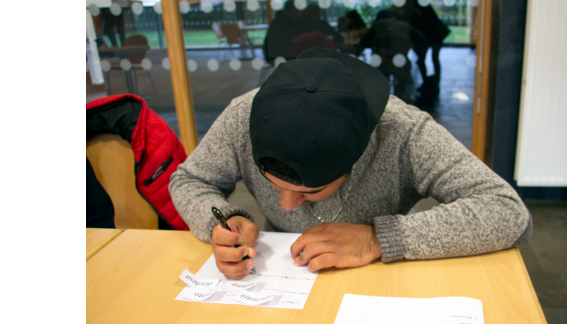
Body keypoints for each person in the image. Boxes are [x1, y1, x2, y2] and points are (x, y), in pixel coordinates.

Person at [170, 48, 533, 280]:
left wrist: (378, 239)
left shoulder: (403, 132)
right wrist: (221, 217)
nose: (284, 205)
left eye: (310, 191)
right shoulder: (242, 118)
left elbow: (507, 212)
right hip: (284, 276)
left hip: (381, 282)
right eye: (273, 186)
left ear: (356, 158)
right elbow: (188, 180)